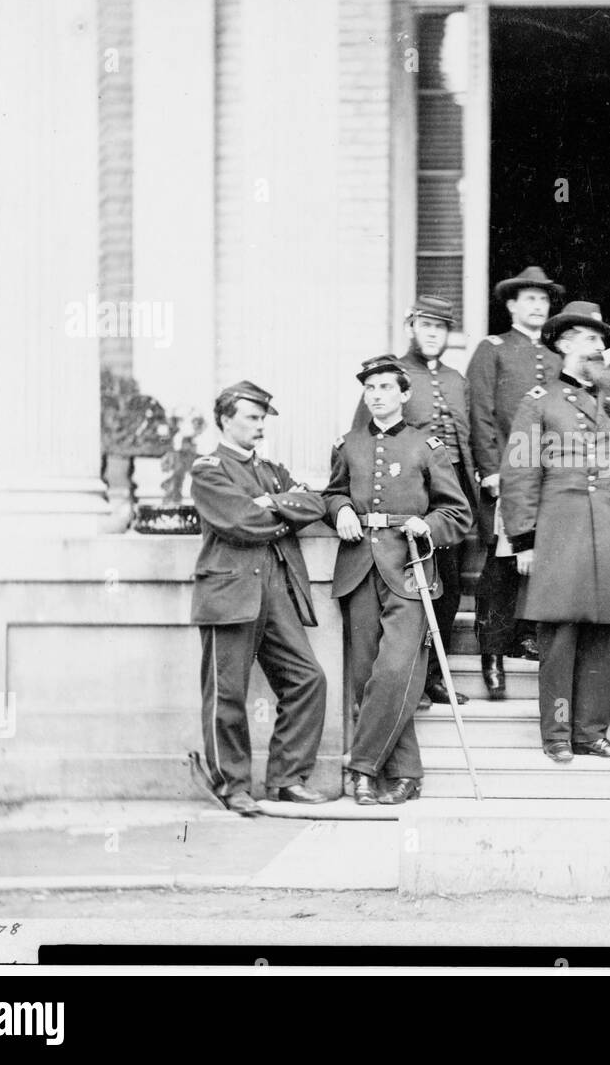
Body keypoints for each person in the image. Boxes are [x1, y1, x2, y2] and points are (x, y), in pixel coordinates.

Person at [499, 306, 610, 763]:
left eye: (602, 343)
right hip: (557, 531)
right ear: (565, 344)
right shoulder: (539, 402)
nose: (599, 350)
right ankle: (558, 733)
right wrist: (524, 539)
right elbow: (519, 472)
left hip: (609, 533)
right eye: (590, 341)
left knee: (604, 637)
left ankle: (592, 733)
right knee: (561, 636)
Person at [324, 355, 473, 806]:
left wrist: (428, 525)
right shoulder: (347, 444)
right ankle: (406, 773)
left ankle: (363, 768)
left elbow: (457, 513)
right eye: (370, 389)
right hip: (357, 567)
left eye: (386, 388)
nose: (377, 396)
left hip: (409, 571)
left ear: (404, 395)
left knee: (395, 671)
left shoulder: (427, 445)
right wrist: (342, 510)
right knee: (367, 675)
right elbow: (331, 494)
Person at [187, 381, 330, 817]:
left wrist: (272, 502)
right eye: (252, 416)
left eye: (263, 417)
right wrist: (279, 515)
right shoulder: (208, 469)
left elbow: (315, 504)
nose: (260, 425)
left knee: (308, 680)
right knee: (227, 694)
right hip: (229, 592)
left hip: (275, 589)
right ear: (226, 419)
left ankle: (287, 780)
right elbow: (242, 521)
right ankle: (232, 786)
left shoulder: (271, 471)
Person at [350, 296, 475, 711]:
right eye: (426, 326)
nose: (433, 334)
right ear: (411, 328)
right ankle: (414, 679)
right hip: (408, 501)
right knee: (413, 594)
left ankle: (434, 675)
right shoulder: (390, 378)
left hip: (450, 496)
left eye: (441, 327)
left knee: (449, 588)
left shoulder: (457, 379)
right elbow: (364, 444)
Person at [466, 266, 564, 697]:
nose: (537, 306)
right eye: (529, 299)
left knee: (544, 558)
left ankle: (526, 638)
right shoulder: (494, 349)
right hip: (509, 475)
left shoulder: (559, 356)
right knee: (504, 564)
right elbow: (481, 413)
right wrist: (491, 470)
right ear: (510, 305)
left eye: (543, 299)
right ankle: (492, 654)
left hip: (554, 477)